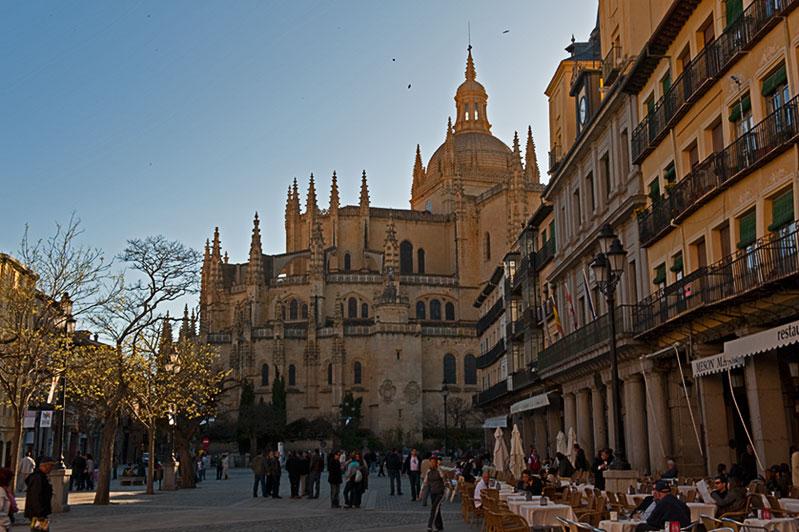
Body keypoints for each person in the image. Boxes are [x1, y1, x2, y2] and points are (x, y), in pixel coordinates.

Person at [25, 457, 54, 532]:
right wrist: (39, 512)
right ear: (44, 466)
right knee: (39, 530)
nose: (51, 468)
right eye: (50, 466)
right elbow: (36, 496)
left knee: (41, 530)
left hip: (40, 512)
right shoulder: (38, 478)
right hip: (38, 513)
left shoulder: (41, 476)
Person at [422, 455, 446, 532]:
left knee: (434, 508)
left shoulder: (439, 470)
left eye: (433, 462)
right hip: (433, 492)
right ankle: (439, 526)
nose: (432, 463)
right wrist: (421, 492)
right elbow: (425, 482)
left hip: (440, 492)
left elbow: (444, 479)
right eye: (431, 462)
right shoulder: (429, 471)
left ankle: (430, 526)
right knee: (437, 509)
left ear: (436, 463)